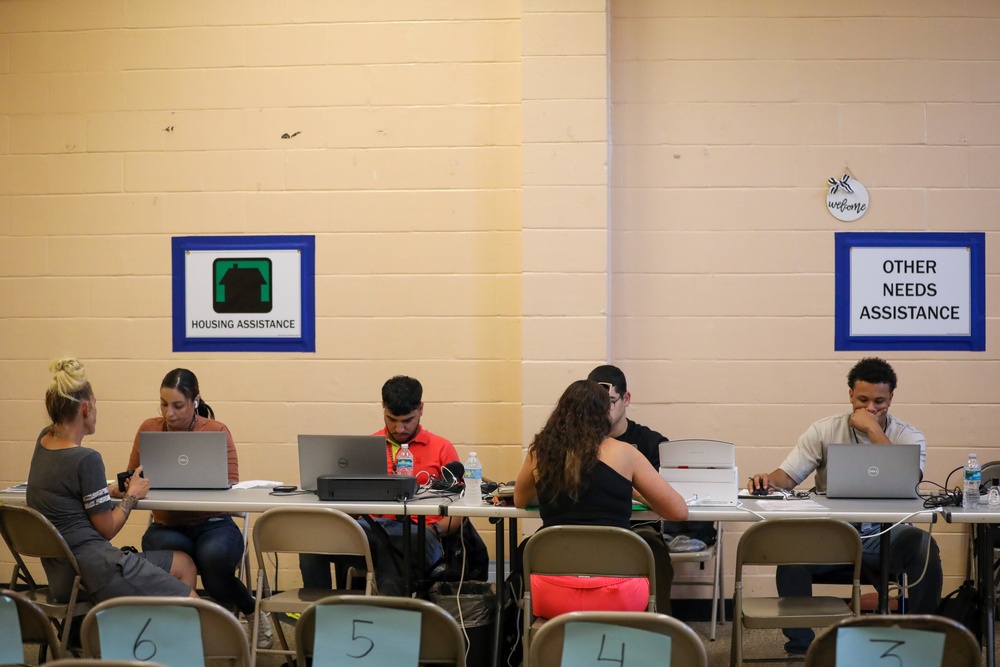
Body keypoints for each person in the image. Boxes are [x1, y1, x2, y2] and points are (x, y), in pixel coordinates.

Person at [748, 357, 942, 655]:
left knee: (924, 546)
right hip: (832, 536)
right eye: (862, 400)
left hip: (885, 535)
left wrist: (874, 430)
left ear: (892, 397)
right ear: (850, 394)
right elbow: (787, 477)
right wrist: (767, 480)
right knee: (790, 552)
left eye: (880, 401)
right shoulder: (824, 430)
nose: (871, 408)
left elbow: (906, 480)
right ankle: (801, 646)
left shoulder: (908, 435)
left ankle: (918, 640)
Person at [114, 368, 272, 649]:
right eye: (163, 404)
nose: (169, 413)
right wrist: (128, 484)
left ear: (195, 401)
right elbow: (133, 476)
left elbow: (232, 482)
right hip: (167, 525)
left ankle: (249, 610)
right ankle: (186, 634)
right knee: (164, 555)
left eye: (177, 405)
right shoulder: (148, 429)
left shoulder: (215, 431)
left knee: (213, 562)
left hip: (214, 523)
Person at [26, 358, 197, 604]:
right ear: (86, 408)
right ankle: (163, 637)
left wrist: (104, 491)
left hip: (62, 575)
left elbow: (67, 491)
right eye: (95, 405)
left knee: (184, 564)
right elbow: (107, 529)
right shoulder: (87, 459)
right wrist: (131, 495)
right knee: (195, 601)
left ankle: (152, 637)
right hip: (96, 571)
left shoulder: (44, 440)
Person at [514, 380, 688, 614]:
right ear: (603, 414)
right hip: (618, 593)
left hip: (551, 593)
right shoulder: (625, 453)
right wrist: (634, 492)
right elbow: (678, 511)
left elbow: (519, 500)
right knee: (652, 545)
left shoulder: (540, 454)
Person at [299, 375, 462, 595]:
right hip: (371, 528)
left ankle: (387, 617)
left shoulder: (442, 448)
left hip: (419, 533)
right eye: (392, 419)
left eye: (407, 420)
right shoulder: (367, 447)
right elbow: (354, 507)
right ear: (383, 407)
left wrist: (434, 529)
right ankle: (319, 614)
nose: (399, 428)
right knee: (311, 544)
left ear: (421, 409)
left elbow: (458, 513)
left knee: (394, 547)